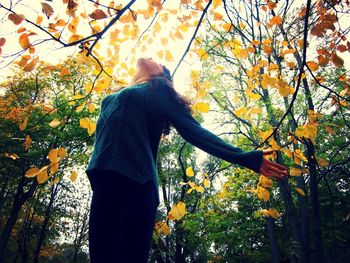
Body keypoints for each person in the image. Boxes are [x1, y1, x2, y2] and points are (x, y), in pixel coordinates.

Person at [85, 57, 288, 262]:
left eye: (159, 62)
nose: (152, 57)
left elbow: (195, 132)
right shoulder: (113, 96)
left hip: (137, 185)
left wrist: (247, 157)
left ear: (160, 75)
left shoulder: (158, 90)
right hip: (103, 185)